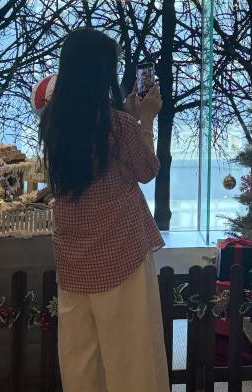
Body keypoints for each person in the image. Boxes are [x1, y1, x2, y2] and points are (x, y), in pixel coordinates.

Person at [39, 28, 169, 392]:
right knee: (130, 354)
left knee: (80, 355)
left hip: (73, 256)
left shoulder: (53, 122)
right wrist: (146, 119)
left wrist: (129, 115)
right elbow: (146, 170)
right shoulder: (119, 125)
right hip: (121, 251)